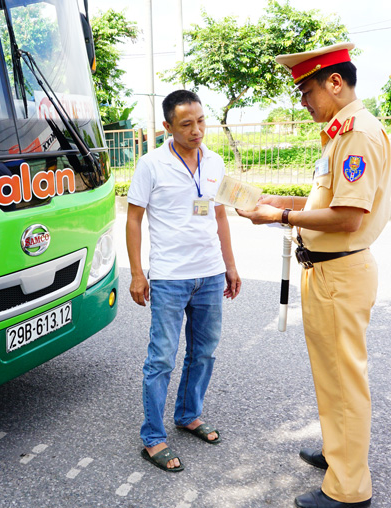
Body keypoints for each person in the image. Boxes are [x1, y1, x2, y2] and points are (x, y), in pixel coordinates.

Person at [237, 43, 391, 508]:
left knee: (344, 378)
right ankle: (338, 452)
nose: (302, 101)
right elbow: (323, 203)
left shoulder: (358, 134)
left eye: (307, 91)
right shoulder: (339, 133)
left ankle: (349, 490)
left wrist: (278, 220)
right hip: (327, 273)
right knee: (330, 375)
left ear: (336, 83)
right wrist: (279, 203)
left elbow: (346, 217)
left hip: (340, 272)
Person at [126, 90, 241, 473]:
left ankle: (188, 414)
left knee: (204, 351)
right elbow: (133, 220)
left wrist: (230, 265)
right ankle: (153, 438)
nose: (197, 130)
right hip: (170, 277)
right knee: (161, 358)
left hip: (209, 274)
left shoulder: (215, 161)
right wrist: (138, 273)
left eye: (201, 121)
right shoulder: (151, 164)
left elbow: (220, 216)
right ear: (168, 127)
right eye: (187, 124)